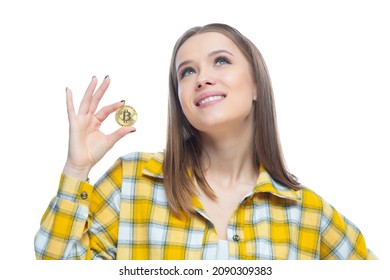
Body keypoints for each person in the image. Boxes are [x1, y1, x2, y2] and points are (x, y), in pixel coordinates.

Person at [34, 23, 376, 260]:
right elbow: (56, 267)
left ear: (256, 85)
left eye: (221, 61)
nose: (203, 79)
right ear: (179, 98)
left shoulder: (308, 213)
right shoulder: (132, 181)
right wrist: (76, 170)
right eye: (187, 71)